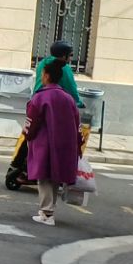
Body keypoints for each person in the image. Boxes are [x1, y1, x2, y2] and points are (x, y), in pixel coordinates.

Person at [23, 59, 82, 226]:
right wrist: (78, 144)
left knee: (44, 177)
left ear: (47, 76)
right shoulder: (68, 98)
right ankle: (49, 209)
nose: (41, 77)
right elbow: (77, 123)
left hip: (44, 143)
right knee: (55, 178)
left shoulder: (40, 97)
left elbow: (31, 121)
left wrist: (27, 135)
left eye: (42, 74)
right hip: (64, 144)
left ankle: (47, 213)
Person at [35, 41, 83, 107]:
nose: (71, 59)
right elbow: (71, 88)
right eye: (70, 55)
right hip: (53, 105)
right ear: (63, 56)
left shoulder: (41, 63)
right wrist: (78, 103)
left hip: (36, 101)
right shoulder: (64, 68)